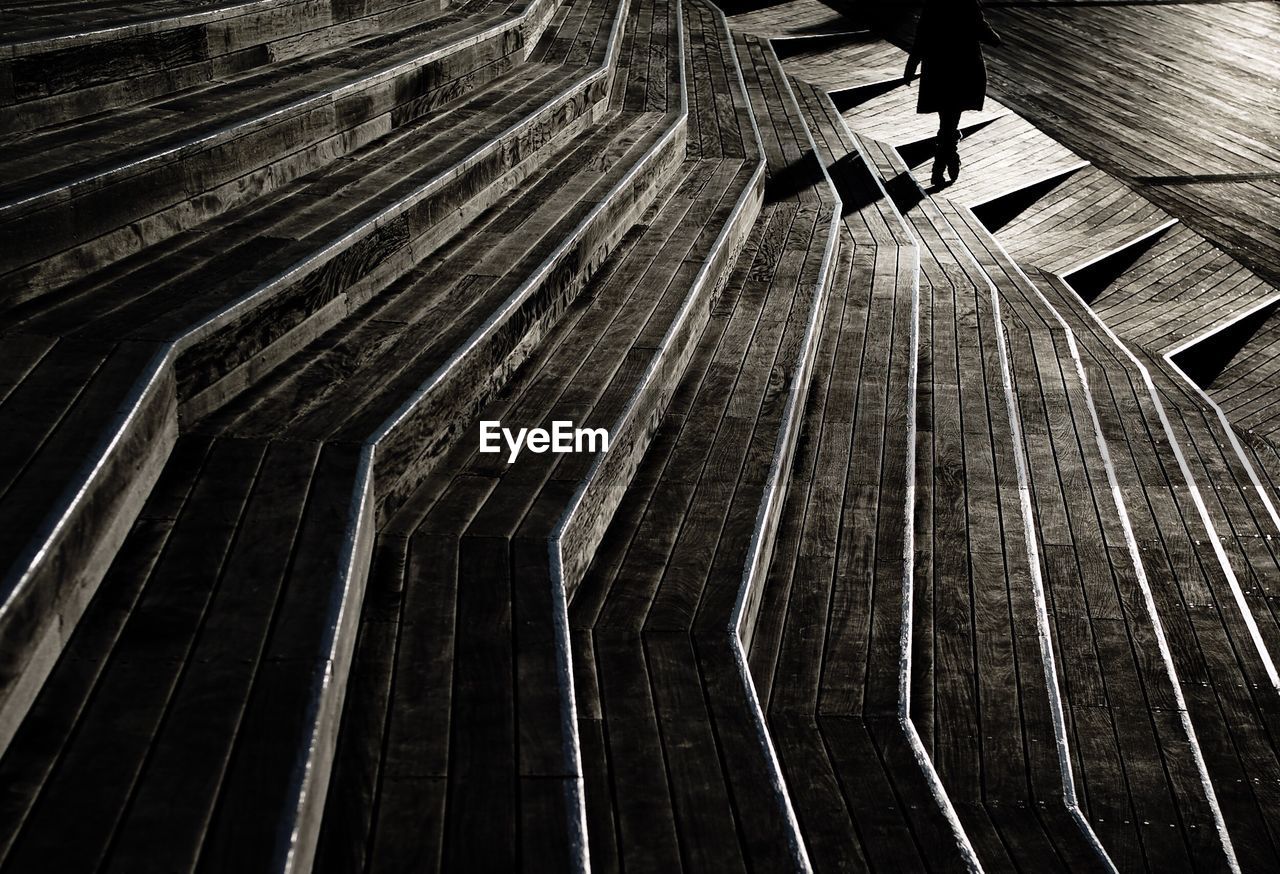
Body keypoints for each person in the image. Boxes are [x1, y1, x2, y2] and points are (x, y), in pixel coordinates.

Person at [903, 0, 1001, 188]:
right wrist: (995, 39)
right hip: (963, 67)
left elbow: (922, 33)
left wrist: (912, 63)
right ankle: (944, 162)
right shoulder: (967, 2)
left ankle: (944, 162)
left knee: (946, 119)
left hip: (938, 67)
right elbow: (979, 26)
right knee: (951, 119)